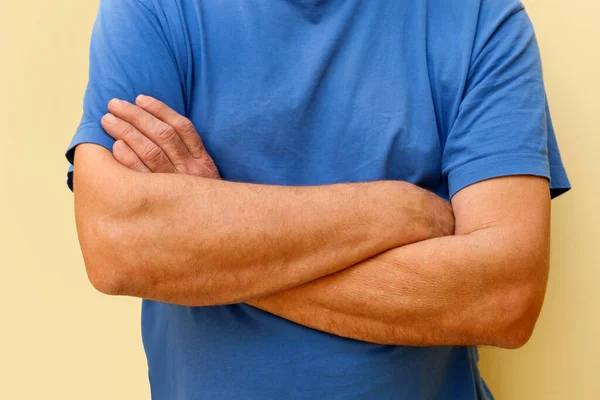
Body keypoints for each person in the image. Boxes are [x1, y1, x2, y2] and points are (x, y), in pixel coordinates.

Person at [65, 0, 571, 398]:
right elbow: (117, 244)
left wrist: (208, 246)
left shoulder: (481, 17)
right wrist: (393, 210)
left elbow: (504, 297)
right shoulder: (153, 7)